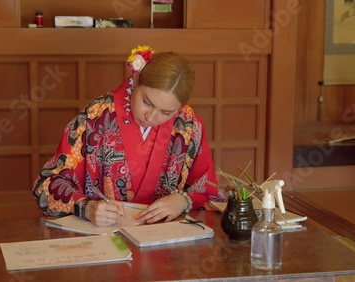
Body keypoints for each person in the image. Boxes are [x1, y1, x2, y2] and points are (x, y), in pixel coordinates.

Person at [32, 45, 226, 227]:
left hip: (165, 241)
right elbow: (47, 184)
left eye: (166, 113)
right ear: (136, 80)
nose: (151, 117)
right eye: (147, 102)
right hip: (105, 237)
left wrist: (183, 201)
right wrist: (87, 207)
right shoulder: (95, 116)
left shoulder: (188, 124)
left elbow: (207, 189)